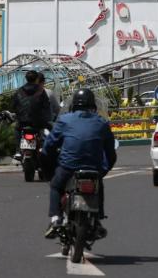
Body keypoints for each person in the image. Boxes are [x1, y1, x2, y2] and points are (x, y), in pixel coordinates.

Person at [43, 89, 117, 238]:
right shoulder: (102, 123)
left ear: (73, 105)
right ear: (93, 105)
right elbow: (111, 153)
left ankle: (56, 218)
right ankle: (97, 219)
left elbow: (49, 146)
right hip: (93, 168)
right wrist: (103, 171)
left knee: (56, 186)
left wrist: (48, 165)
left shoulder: (65, 120)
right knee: (98, 186)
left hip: (68, 166)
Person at [13, 70, 53, 146]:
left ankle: (17, 150)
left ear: (26, 78)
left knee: (16, 129)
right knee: (49, 131)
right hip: (38, 122)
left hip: (22, 122)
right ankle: (46, 148)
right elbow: (46, 105)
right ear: (37, 79)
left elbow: (14, 106)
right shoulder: (41, 90)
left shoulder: (19, 91)